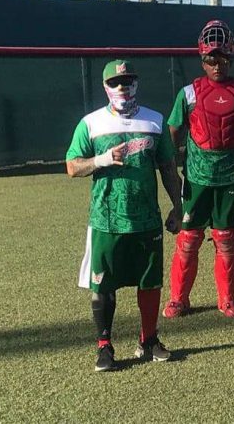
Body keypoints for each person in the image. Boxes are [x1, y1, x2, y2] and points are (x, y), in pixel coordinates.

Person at [66, 59, 182, 372]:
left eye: (128, 81)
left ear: (136, 84)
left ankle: (149, 339)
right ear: (106, 87)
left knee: (150, 282)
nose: (122, 87)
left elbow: (168, 168)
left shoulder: (154, 121)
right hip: (106, 219)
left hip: (146, 219)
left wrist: (178, 205)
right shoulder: (90, 123)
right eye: (116, 83)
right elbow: (72, 166)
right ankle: (104, 346)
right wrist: (102, 159)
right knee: (103, 284)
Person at [162, 20, 234, 320]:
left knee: (227, 239)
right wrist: (173, 179)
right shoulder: (189, 94)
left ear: (231, 57)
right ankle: (178, 299)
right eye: (211, 58)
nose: (217, 64)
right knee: (189, 238)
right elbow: (172, 134)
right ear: (202, 59)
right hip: (196, 180)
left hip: (230, 179)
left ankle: (227, 299)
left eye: (222, 58)